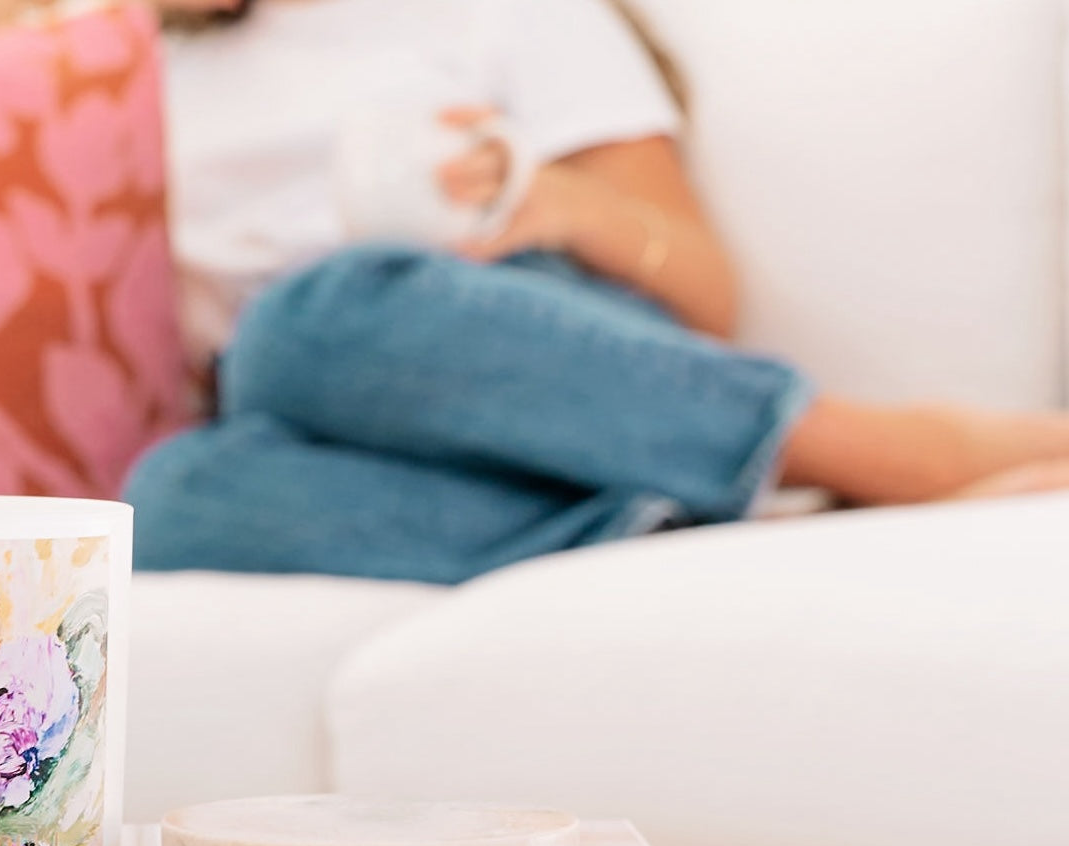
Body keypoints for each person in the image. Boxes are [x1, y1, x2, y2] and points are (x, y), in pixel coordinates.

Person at [115, 0, 1069, 583]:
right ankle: (698, 525)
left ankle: (867, 448)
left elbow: (704, 294)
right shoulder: (125, 66)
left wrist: (561, 204)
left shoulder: (506, 10)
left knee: (308, 322)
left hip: (509, 342)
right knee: (164, 502)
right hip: (331, 430)